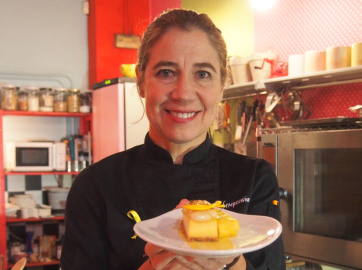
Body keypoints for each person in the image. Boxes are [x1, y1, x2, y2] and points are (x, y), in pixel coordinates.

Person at [60, 9, 285, 270]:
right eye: (166, 72)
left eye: (202, 74)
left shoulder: (255, 178)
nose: (183, 94)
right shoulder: (95, 186)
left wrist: (233, 263)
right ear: (141, 81)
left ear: (222, 86)